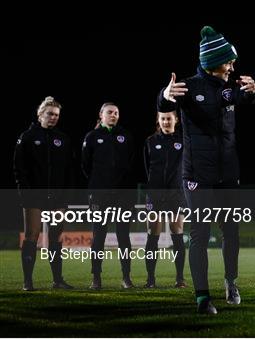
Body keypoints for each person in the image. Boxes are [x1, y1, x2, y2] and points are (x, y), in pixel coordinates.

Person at [157, 26, 255, 314]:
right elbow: (164, 102)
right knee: (199, 234)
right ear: (214, 62)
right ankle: (202, 297)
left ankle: (230, 281)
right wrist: (165, 94)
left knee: (231, 231)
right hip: (197, 176)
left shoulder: (229, 87)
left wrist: (253, 91)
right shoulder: (188, 86)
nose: (233, 66)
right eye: (229, 61)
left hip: (228, 173)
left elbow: (245, 98)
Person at [14, 96, 74, 291]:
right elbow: (19, 169)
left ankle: (57, 280)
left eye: (56, 115)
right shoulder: (27, 137)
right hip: (34, 197)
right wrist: (26, 193)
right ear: (40, 114)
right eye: (50, 114)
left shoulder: (62, 139)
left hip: (57, 198)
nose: (53, 117)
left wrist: (66, 195)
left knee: (56, 237)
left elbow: (68, 170)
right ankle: (27, 282)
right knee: (32, 235)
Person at [82, 102, 136, 290]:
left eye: (116, 112)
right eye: (110, 112)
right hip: (100, 195)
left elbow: (132, 165)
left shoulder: (126, 136)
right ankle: (96, 278)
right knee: (99, 238)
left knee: (124, 237)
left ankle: (126, 278)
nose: (113, 115)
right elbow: (85, 166)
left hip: (123, 196)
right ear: (101, 115)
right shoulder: (92, 137)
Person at [143, 110, 187, 289]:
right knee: (153, 233)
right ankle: (151, 279)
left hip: (176, 194)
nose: (166, 121)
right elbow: (147, 168)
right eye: (163, 119)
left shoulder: (183, 141)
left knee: (177, 232)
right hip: (155, 194)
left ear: (176, 120)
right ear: (158, 121)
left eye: (169, 118)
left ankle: (180, 278)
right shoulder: (150, 142)